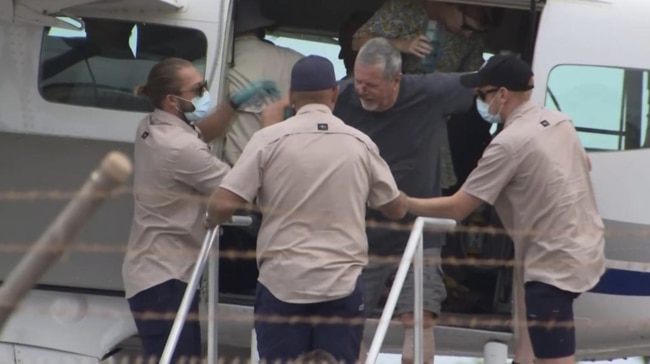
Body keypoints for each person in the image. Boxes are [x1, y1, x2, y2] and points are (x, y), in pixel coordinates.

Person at [206, 55, 408, 364]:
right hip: (340, 283)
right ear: (334, 94)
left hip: (282, 283)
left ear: (292, 96)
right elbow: (395, 209)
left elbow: (221, 206)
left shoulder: (268, 140)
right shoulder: (360, 144)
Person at [406, 54, 606, 364]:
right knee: (528, 347)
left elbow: (458, 208)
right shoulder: (559, 122)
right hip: (582, 249)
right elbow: (585, 164)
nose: (479, 100)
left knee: (555, 358)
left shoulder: (507, 143)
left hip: (550, 268)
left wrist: (402, 202)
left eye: (482, 93)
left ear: (502, 94)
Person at [122, 57, 276, 363]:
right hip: (164, 280)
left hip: (153, 274)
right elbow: (237, 189)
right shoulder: (180, 149)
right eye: (198, 89)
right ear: (172, 100)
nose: (204, 92)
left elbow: (200, 132)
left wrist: (233, 104)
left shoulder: (152, 126)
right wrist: (271, 133)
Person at [332, 38, 475, 364]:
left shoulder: (430, 91)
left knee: (419, 319)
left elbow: (488, 79)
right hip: (360, 234)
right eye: (359, 81)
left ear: (396, 79)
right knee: (346, 320)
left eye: (371, 85)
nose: (362, 90)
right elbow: (298, 104)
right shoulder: (340, 96)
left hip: (419, 230)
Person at [210, 0, 304, 296]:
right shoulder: (293, 60)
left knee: (232, 265)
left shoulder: (215, 60)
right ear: (262, 27)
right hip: (281, 179)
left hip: (234, 177)